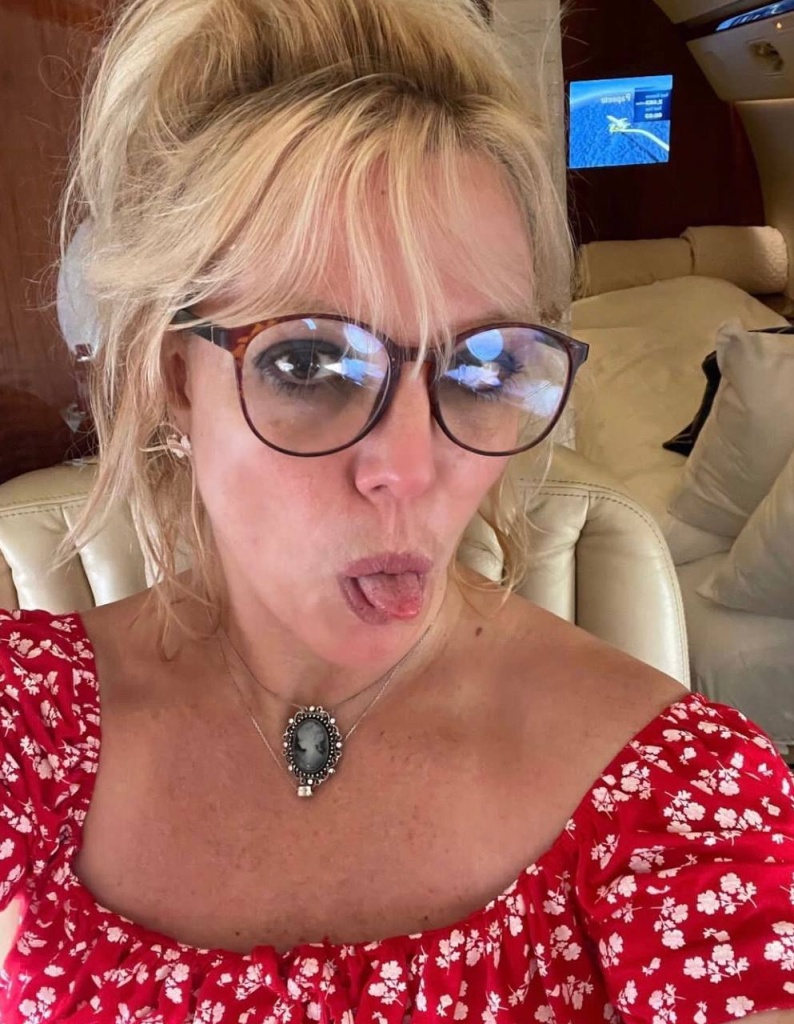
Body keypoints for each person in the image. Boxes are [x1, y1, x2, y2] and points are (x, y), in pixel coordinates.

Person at [1, 0, 794, 1020]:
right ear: (170, 376)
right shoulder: (25, 722)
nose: (414, 469)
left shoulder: (688, 801)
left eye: (483, 366)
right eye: (309, 362)